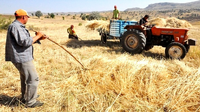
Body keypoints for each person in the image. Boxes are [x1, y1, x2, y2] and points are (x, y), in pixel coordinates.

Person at [5, 9, 48, 108]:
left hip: (21, 57)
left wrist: (38, 38)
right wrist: (38, 36)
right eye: (27, 17)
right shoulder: (16, 27)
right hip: (22, 58)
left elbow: (24, 41)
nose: (27, 19)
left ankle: (26, 97)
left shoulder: (17, 26)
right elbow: (24, 42)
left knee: (25, 78)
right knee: (33, 78)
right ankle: (31, 102)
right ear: (23, 17)